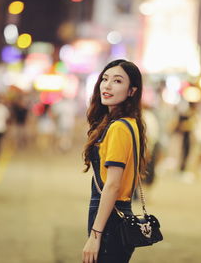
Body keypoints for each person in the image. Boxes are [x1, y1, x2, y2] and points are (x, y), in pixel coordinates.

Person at [82, 59, 147, 263]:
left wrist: (95, 235)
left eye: (117, 81)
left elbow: (112, 185)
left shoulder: (119, 127)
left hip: (110, 219)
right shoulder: (130, 124)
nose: (107, 85)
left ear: (131, 91)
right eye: (105, 79)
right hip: (116, 216)